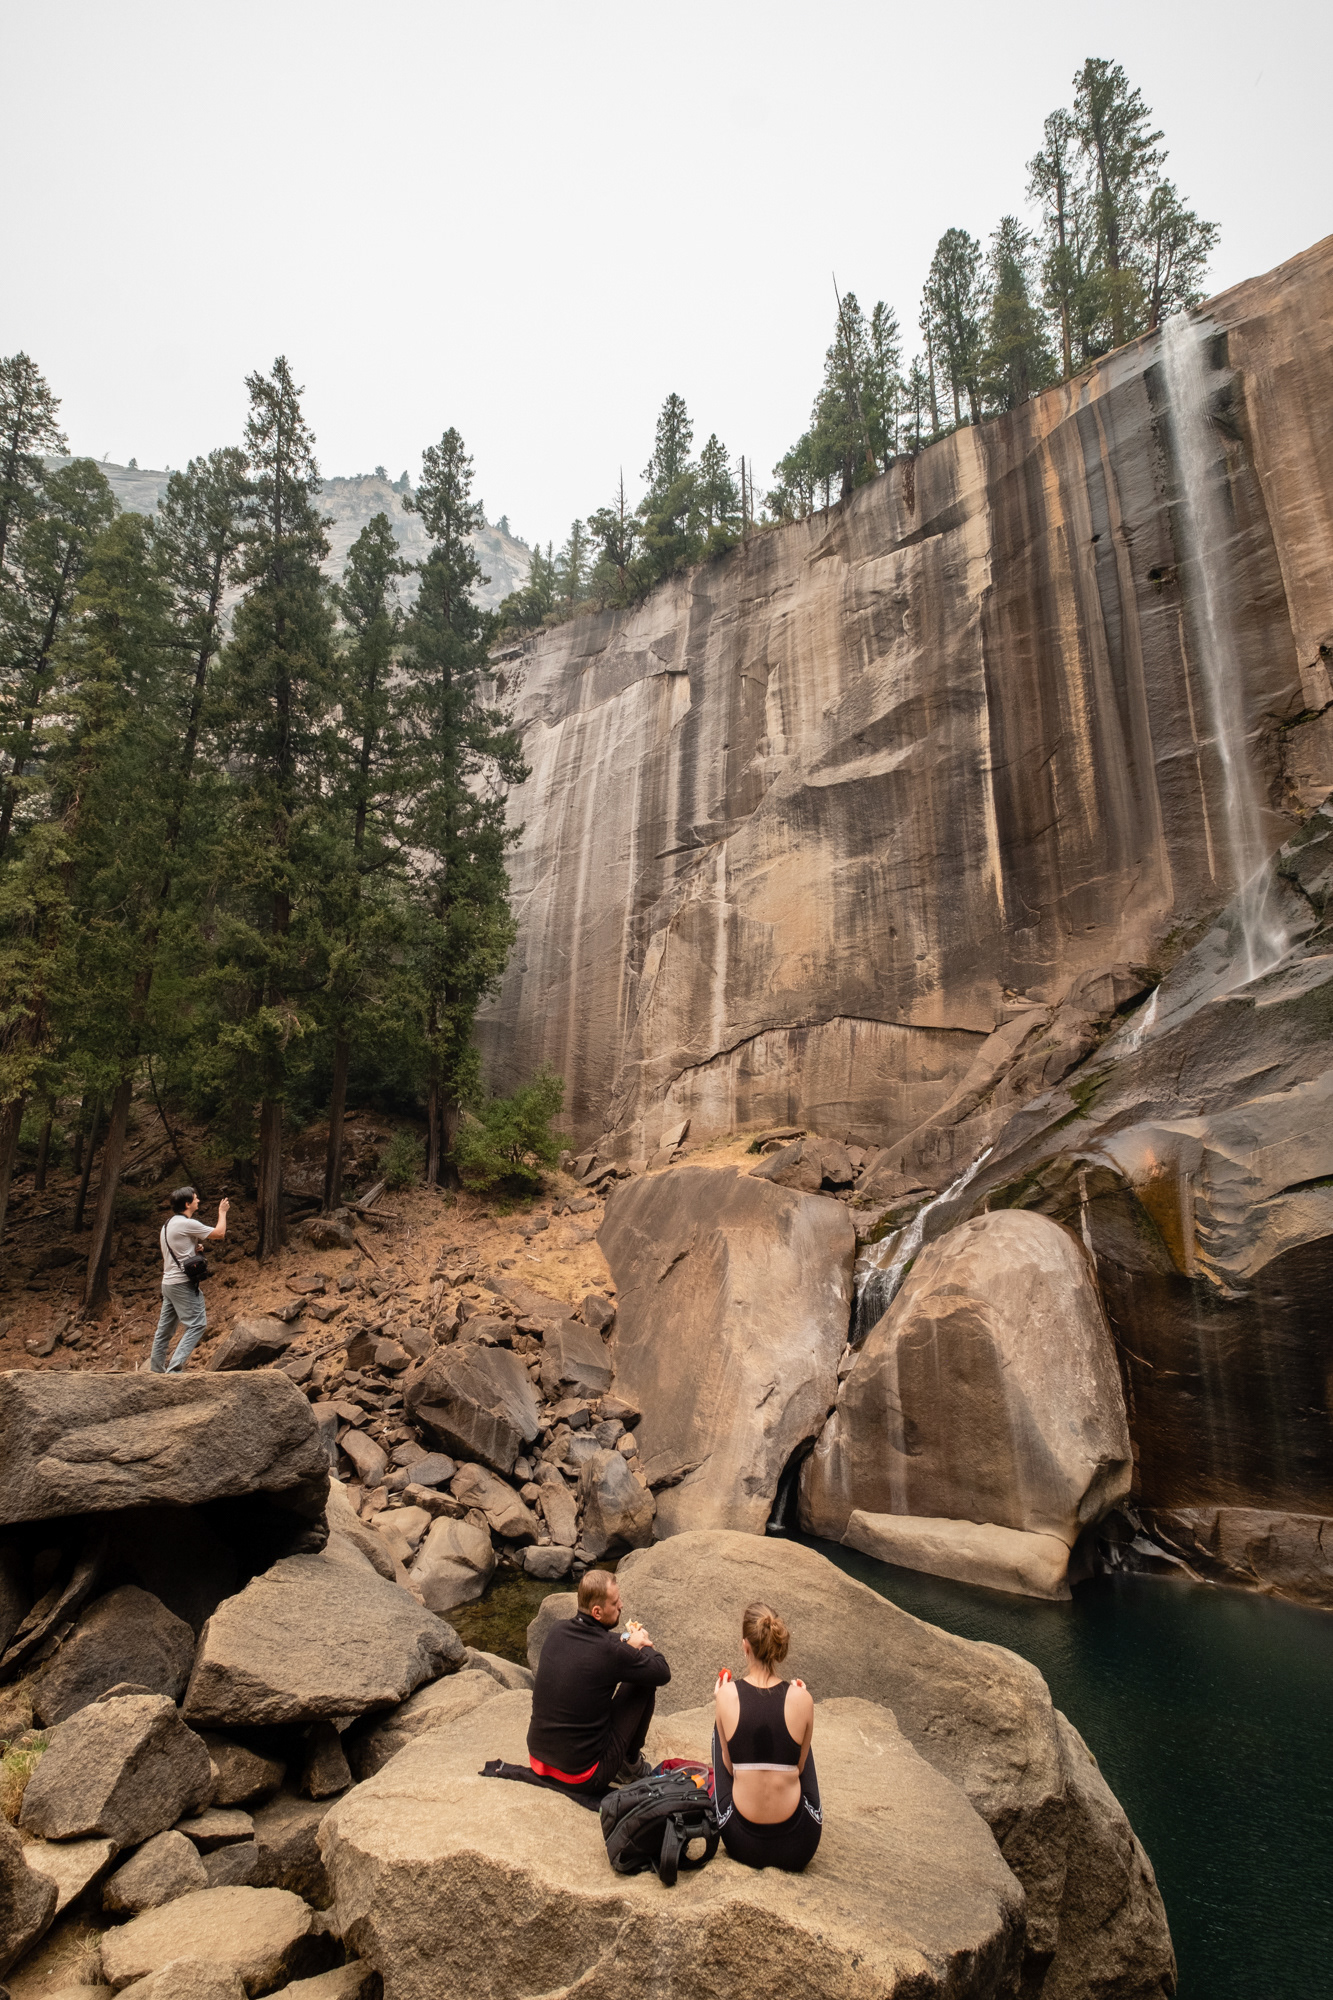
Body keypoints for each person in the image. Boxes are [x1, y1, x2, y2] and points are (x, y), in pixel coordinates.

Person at [527, 1569, 670, 1794]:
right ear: (597, 1611)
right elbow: (662, 1672)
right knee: (643, 1681)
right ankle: (630, 1764)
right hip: (583, 1776)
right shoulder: (609, 1652)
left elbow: (603, 1641)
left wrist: (625, 1639)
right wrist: (643, 1643)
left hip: (540, 1762)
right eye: (615, 1603)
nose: (621, 1605)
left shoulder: (557, 1630)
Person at [712, 1600, 821, 1871]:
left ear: (745, 1645)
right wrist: (802, 1702)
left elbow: (728, 1767)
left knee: (719, 1731)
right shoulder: (802, 1697)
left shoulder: (726, 1695)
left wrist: (720, 1704)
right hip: (799, 1846)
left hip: (742, 1843)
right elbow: (799, 1767)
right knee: (802, 1742)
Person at [148, 1186, 228, 1374]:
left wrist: (195, 1250)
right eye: (195, 1198)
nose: (198, 1200)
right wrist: (222, 1212)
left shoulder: (167, 1225)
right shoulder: (186, 1224)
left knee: (164, 1331)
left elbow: (177, 1251)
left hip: (168, 1283)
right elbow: (219, 1233)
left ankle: (155, 1371)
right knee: (197, 1324)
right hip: (182, 1284)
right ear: (187, 1204)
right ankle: (174, 1370)